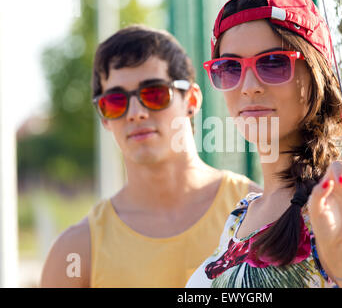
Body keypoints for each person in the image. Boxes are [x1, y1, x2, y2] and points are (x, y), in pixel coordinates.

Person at [186, 0, 342, 288]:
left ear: (315, 74)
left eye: (273, 63)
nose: (249, 86)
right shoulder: (240, 215)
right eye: (229, 68)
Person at [40, 25, 261, 288]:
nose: (136, 112)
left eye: (154, 94)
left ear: (191, 100)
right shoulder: (76, 252)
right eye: (115, 101)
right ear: (103, 117)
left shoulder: (260, 215)